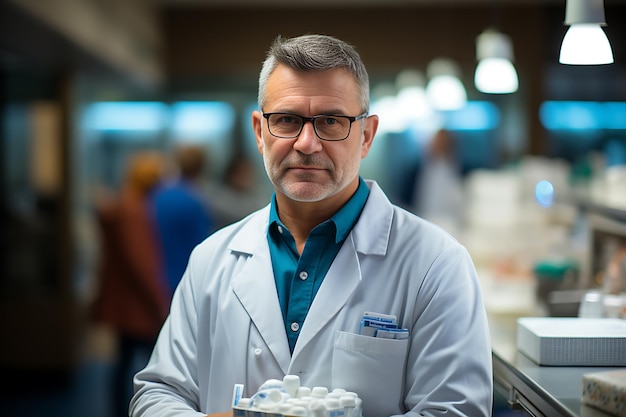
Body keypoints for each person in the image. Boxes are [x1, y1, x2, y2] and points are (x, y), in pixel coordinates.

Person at [130, 34, 492, 417]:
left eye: (331, 121)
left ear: (366, 135)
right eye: (286, 120)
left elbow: (456, 410)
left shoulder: (437, 263)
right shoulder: (210, 260)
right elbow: (156, 396)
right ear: (259, 132)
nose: (306, 143)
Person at [91, 150, 170, 417]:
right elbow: (141, 263)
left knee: (123, 362)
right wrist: (159, 301)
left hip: (123, 300)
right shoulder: (134, 210)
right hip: (137, 304)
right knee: (156, 365)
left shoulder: (123, 204)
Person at [152, 144, 216, 294]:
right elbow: (202, 245)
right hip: (185, 279)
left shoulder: (158, 195)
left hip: (157, 278)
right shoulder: (194, 203)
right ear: (202, 167)